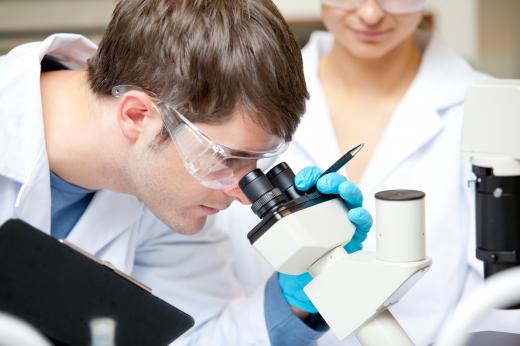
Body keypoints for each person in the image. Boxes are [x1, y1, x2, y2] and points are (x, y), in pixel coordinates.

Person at [0, 0, 373, 344]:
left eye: (255, 165)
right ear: (136, 115)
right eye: (226, 158)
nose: (244, 194)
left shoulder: (162, 195)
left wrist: (298, 300)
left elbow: (196, 336)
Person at [216, 0, 520, 345]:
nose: (371, 13)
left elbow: (501, 301)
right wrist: (292, 303)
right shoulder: (242, 101)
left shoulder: (494, 109)